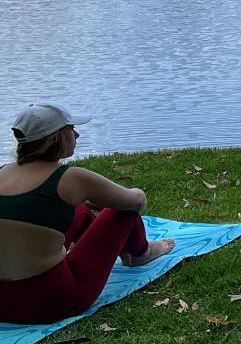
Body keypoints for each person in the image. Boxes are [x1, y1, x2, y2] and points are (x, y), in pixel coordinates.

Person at [0, 104, 174, 325]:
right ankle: (141, 254)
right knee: (121, 211)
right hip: (52, 302)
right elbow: (137, 202)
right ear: (56, 138)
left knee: (78, 210)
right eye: (71, 129)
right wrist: (108, 198)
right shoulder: (71, 178)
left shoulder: (2, 171)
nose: (77, 134)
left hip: (3, 305)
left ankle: (119, 252)